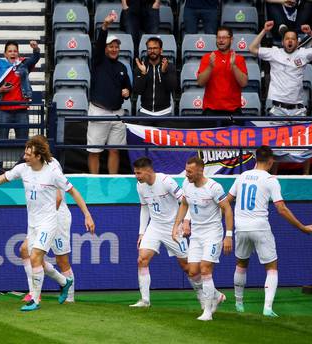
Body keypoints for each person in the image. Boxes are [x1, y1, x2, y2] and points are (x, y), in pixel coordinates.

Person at [0, 136, 95, 312]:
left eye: (28, 154)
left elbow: (73, 192)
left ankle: (35, 300)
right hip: (32, 223)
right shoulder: (23, 169)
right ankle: (64, 282)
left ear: (38, 156)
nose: (25, 156)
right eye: (25, 153)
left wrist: (87, 215)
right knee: (33, 258)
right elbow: (0, 179)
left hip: (49, 222)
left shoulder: (53, 172)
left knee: (35, 257)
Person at [226, 145, 312, 317]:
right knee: (271, 267)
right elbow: (281, 209)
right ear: (271, 161)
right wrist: (302, 227)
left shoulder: (242, 176)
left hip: (241, 227)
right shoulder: (270, 180)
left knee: (241, 264)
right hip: (260, 227)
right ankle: (267, 308)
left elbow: (227, 201)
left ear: (255, 159)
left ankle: (239, 304)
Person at [249, 21, 312, 175]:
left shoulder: (303, 53)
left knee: (305, 144)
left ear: (297, 42)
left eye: (293, 38)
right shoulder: (274, 52)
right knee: (275, 145)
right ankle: (274, 175)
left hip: (298, 109)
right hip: (278, 109)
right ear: (283, 41)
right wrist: (264, 31)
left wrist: (311, 33)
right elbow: (252, 48)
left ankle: (306, 176)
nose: (290, 41)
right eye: (287, 38)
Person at [172, 157, 233, 321]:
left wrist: (228, 236)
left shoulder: (214, 187)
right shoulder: (186, 185)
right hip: (197, 235)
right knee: (192, 272)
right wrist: (176, 225)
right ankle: (216, 295)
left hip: (213, 233)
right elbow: (184, 204)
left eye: (190, 172)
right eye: (186, 171)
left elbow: (227, 210)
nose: (187, 175)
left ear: (200, 170)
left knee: (205, 269)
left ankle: (208, 311)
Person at [19, 137, 75, 303]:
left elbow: (58, 197)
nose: (27, 154)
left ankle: (70, 298)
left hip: (57, 217)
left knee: (61, 259)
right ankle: (34, 293)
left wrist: (48, 221)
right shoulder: (31, 167)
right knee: (26, 251)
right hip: (44, 218)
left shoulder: (52, 166)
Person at [129, 157, 191, 308]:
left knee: (188, 267)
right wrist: (141, 232)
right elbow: (144, 207)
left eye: (139, 173)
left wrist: (185, 222)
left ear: (148, 171)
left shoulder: (166, 181)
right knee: (142, 259)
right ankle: (145, 301)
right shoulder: (140, 186)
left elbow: (185, 201)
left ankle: (209, 297)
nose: (136, 176)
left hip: (173, 228)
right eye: (135, 173)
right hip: (154, 227)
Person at [88, 13, 132, 174]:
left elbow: (128, 88)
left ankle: (113, 181)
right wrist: (105, 26)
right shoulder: (98, 61)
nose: (114, 49)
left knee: (115, 150)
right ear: (105, 48)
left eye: (116, 46)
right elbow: (99, 45)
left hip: (117, 113)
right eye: (111, 46)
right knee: (94, 151)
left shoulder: (122, 66)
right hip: (99, 111)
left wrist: (128, 92)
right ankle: (93, 183)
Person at [0, 40, 40, 140]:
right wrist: (0, 90)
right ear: (5, 54)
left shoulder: (23, 64)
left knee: (22, 143)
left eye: (15, 51)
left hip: (21, 110)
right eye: (10, 51)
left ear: (18, 53)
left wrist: (36, 49)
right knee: (1, 142)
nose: (13, 53)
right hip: (4, 111)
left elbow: (35, 59)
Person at [197, 26, 248, 128]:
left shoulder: (238, 59)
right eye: (219, 37)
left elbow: (244, 83)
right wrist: (210, 67)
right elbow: (200, 82)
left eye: (224, 37)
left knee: (235, 143)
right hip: (211, 112)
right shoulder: (208, 57)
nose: (221, 40)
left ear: (231, 39)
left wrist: (234, 66)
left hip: (233, 112)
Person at [133, 37, 177, 126]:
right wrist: (143, 73)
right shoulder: (141, 67)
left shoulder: (169, 66)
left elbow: (172, 87)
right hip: (145, 113)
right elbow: (137, 90)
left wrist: (164, 72)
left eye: (155, 48)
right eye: (149, 48)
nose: (152, 51)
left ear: (161, 50)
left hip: (164, 113)